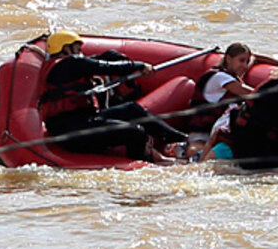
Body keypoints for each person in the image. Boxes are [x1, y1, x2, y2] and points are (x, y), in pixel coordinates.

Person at [38, 30, 186, 163]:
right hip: (72, 132)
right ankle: (146, 164)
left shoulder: (65, 66)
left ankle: (182, 138)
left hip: (82, 122)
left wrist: (112, 56)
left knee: (132, 109)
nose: (81, 52)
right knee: (135, 132)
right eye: (77, 48)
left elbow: (96, 61)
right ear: (66, 48)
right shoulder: (70, 64)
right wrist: (140, 66)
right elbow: (105, 66)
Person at [184, 43, 254, 160]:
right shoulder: (219, 78)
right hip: (202, 135)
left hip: (222, 134)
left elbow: (253, 59)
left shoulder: (232, 76)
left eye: (247, 62)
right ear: (228, 58)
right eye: (241, 61)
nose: (245, 66)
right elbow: (253, 94)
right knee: (195, 152)